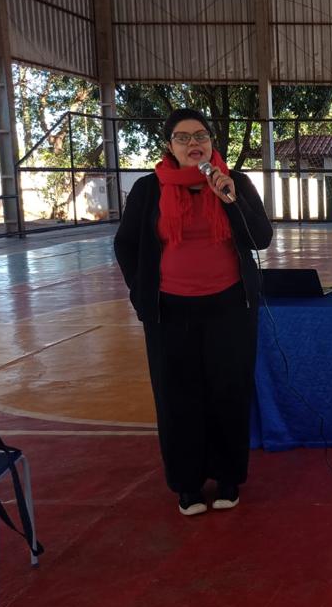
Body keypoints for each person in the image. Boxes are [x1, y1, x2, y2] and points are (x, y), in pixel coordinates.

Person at [114, 108, 273, 516]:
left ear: (212, 142)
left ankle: (228, 478)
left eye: (200, 135)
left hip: (230, 308)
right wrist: (140, 293)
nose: (193, 143)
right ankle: (186, 484)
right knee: (177, 397)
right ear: (169, 146)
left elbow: (261, 238)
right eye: (183, 137)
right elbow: (126, 244)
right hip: (169, 311)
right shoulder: (149, 189)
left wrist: (230, 202)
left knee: (229, 392)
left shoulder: (233, 183)